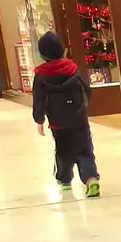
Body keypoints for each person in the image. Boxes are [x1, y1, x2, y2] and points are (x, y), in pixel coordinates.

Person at [32, 32, 100, 197]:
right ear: (63, 50)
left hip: (58, 122)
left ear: (42, 55)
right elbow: (86, 89)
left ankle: (64, 181)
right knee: (85, 150)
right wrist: (84, 107)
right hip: (78, 119)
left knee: (63, 151)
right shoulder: (73, 69)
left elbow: (38, 100)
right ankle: (91, 179)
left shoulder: (41, 76)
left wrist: (39, 120)